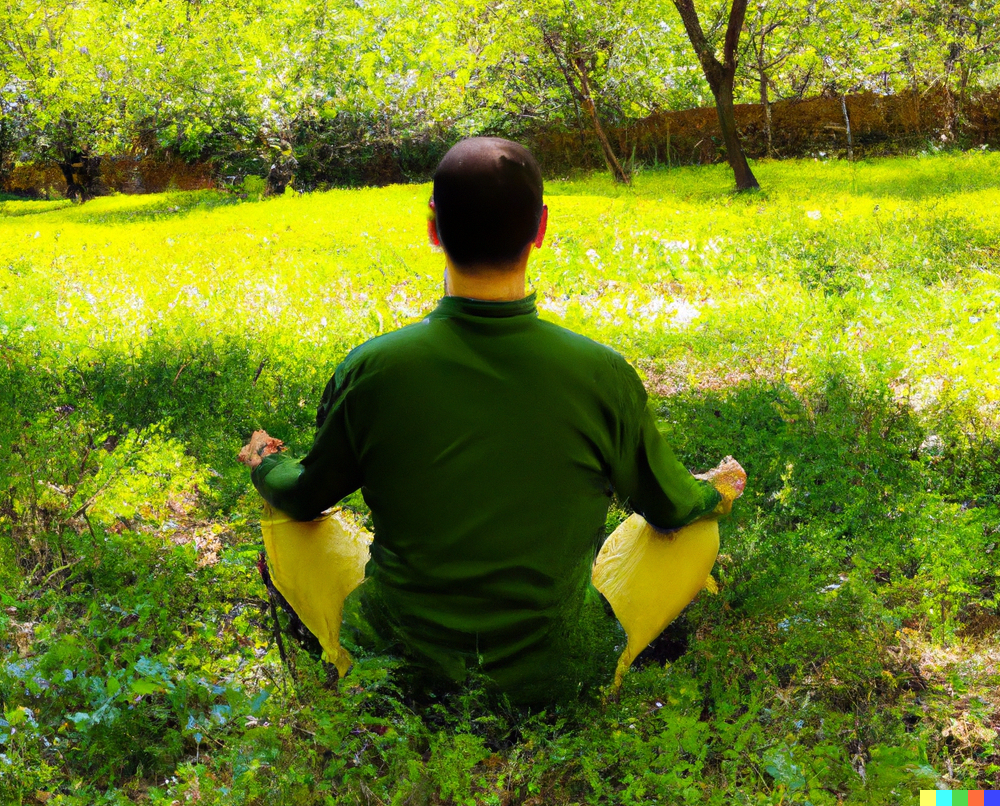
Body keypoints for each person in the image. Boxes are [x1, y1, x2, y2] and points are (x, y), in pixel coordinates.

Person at [240, 136, 745, 708]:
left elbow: (305, 497)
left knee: (290, 519)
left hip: (405, 671)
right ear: (541, 228)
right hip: (557, 677)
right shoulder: (602, 374)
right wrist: (713, 493)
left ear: (433, 228)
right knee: (695, 529)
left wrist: (266, 463)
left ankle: (361, 662)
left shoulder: (372, 369)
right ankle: (601, 661)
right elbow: (671, 507)